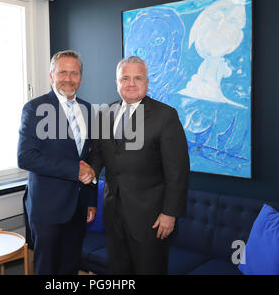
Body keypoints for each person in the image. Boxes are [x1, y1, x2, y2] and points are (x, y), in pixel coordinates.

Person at [88, 56, 189, 274]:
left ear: (147, 82)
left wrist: (169, 213)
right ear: (117, 83)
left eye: (137, 78)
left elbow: (177, 171)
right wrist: (88, 170)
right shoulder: (104, 113)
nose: (131, 83)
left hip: (151, 218)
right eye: (125, 78)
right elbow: (98, 155)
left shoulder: (165, 116)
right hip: (113, 213)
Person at [17, 50, 97, 275]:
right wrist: (75, 170)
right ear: (52, 75)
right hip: (47, 209)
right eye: (63, 72)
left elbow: (88, 158)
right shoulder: (34, 109)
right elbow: (25, 157)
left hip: (78, 207)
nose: (68, 79)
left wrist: (91, 200)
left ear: (80, 77)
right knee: (48, 270)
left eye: (74, 73)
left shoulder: (88, 110)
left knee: (70, 268)